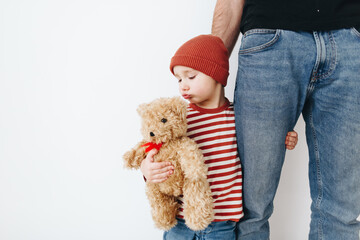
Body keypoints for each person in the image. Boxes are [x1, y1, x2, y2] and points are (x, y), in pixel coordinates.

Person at [211, 0, 360, 239]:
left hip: (350, 39)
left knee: (341, 213)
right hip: (269, 37)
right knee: (248, 208)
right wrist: (211, 72)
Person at [140, 34, 299, 240]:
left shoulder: (239, 117)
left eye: (191, 76)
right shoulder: (180, 121)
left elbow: (261, 140)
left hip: (222, 224)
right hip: (181, 221)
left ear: (215, 74)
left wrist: (285, 137)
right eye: (179, 79)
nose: (183, 86)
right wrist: (146, 168)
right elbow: (155, 148)